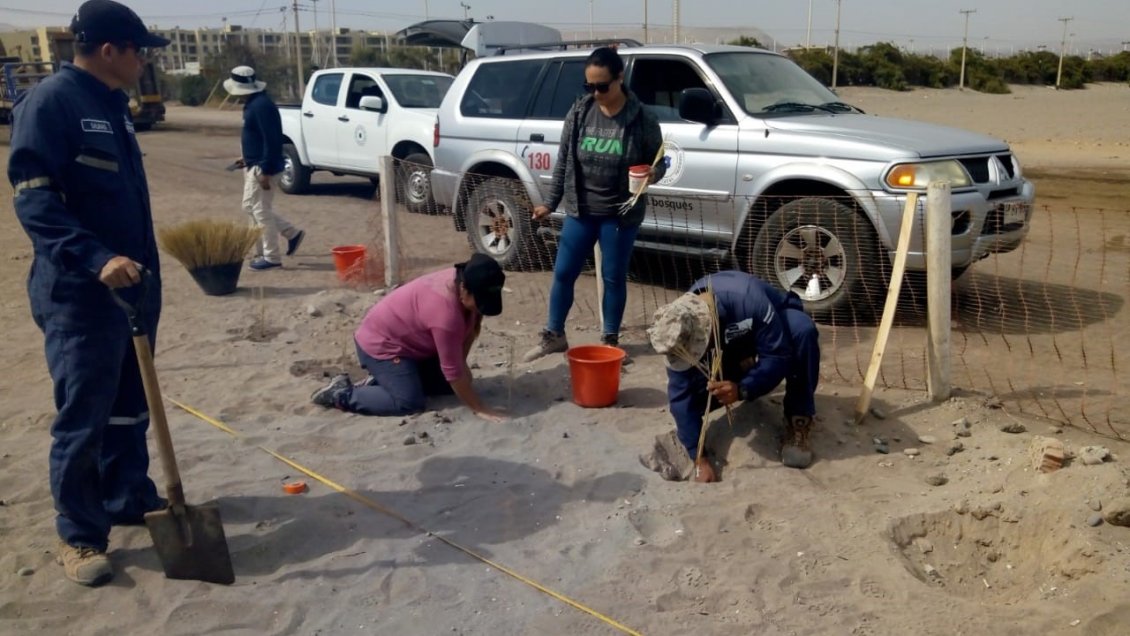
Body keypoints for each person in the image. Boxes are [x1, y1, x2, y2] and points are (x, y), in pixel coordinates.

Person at [7, 0, 171, 586]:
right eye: (139, 51)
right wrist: (97, 259)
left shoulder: (114, 105)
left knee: (130, 406)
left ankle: (127, 496)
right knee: (84, 416)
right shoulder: (51, 103)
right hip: (81, 297)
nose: (144, 62)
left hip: (134, 291)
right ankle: (78, 534)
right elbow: (34, 201)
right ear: (109, 51)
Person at [523, 47, 666, 361]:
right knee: (563, 272)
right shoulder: (579, 112)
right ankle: (554, 335)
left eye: (602, 86)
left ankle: (610, 341)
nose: (596, 93)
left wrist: (653, 173)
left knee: (613, 277)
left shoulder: (642, 118)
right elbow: (564, 162)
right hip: (581, 211)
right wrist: (550, 203)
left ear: (619, 78)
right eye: (589, 86)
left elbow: (659, 161)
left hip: (619, 215)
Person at [647, 271, 821, 482]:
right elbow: (680, 395)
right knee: (693, 396)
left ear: (707, 329)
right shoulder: (676, 330)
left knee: (802, 330)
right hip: (730, 343)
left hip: (771, 327)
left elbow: (777, 355)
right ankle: (744, 369)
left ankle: (798, 419)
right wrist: (698, 458)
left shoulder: (748, 300)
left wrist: (743, 389)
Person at [311, 253, 508, 422]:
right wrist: (479, 408)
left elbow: (469, 332)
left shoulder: (464, 279)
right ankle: (341, 394)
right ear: (464, 289)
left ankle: (383, 382)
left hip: (413, 345)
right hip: (382, 346)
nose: (480, 308)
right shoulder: (445, 314)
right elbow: (452, 371)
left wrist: (462, 369)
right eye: (480, 301)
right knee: (409, 402)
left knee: (456, 384)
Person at [223, 65, 304, 270]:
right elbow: (258, 138)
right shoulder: (255, 104)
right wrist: (247, 157)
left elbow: (272, 139)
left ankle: (272, 256)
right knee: (252, 207)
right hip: (257, 163)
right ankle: (291, 233)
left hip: (263, 167)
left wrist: (265, 170)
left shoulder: (261, 106)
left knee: (259, 209)